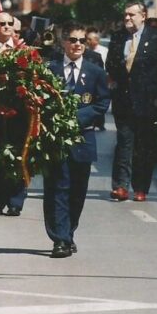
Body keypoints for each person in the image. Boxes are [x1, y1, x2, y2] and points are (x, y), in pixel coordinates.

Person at [44, 23, 110, 257]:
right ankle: (59, 238)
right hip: (56, 139)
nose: (78, 45)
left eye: (82, 41)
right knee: (58, 188)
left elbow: (102, 104)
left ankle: (69, 232)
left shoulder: (95, 73)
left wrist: (75, 117)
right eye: (73, 40)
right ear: (63, 42)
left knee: (77, 191)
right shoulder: (50, 70)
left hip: (83, 138)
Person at [105, 1, 157, 202]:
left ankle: (141, 187)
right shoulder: (118, 38)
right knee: (124, 142)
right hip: (124, 100)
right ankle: (121, 186)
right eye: (125, 15)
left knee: (144, 146)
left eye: (132, 15)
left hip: (148, 102)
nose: (127, 18)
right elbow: (111, 64)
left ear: (143, 16)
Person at [0, 11, 27, 216]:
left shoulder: (24, 52)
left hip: (19, 114)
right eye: (2, 24)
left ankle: (16, 200)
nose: (7, 27)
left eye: (10, 23)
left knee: (19, 155)